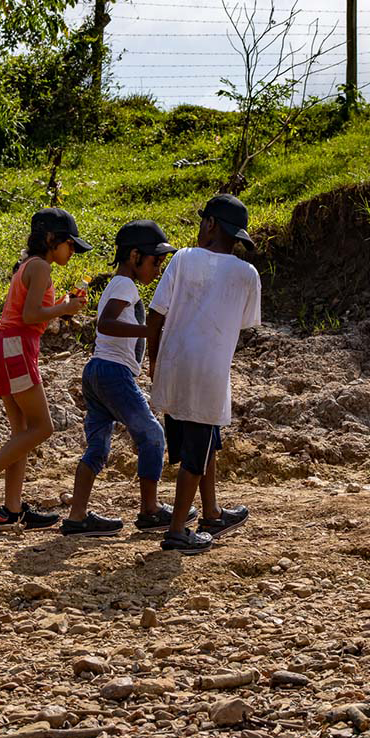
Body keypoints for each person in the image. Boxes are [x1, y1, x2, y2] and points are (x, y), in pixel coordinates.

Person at [61, 220, 198, 537]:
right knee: (152, 435)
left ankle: (77, 516)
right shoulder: (125, 285)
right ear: (135, 256)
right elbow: (107, 323)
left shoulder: (117, 284)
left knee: (97, 449)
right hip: (113, 373)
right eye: (155, 261)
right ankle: (150, 511)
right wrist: (148, 330)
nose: (157, 268)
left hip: (96, 372)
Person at [0, 208, 89, 527]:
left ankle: (13, 508)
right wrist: (66, 307)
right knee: (43, 427)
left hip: (5, 348)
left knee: (22, 433)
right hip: (16, 349)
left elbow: (32, 311)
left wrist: (61, 310)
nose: (72, 251)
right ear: (50, 239)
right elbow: (30, 315)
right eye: (70, 244)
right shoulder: (40, 266)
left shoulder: (28, 265)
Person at [147, 194, 261, 555]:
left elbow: (156, 315)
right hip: (210, 369)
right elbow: (244, 323)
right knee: (198, 451)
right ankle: (178, 531)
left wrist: (154, 362)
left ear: (210, 224)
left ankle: (211, 512)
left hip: (175, 363)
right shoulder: (247, 274)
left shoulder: (181, 258)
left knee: (203, 440)